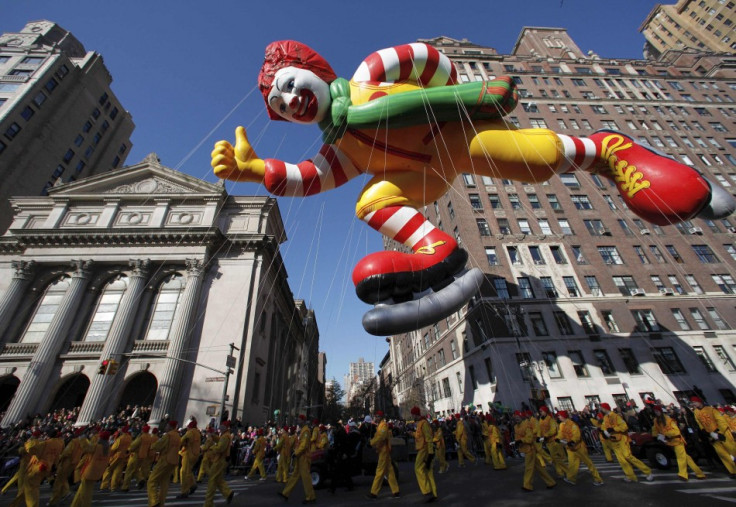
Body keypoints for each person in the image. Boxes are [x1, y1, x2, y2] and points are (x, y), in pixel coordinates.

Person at [211, 40, 733, 336]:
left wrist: (455, 93)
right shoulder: (339, 149)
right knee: (371, 200)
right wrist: (257, 171)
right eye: (278, 106)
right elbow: (309, 179)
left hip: (455, 134)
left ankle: (607, 150)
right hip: (424, 175)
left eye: (288, 86)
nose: (287, 101)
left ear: (312, 70)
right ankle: (436, 250)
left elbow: (428, 56)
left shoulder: (371, 72)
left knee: (529, 161)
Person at [600, 403, 653, 483]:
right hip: (613, 440)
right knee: (621, 460)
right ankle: (630, 476)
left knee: (628, 456)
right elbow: (604, 427)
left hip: (622, 439)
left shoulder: (615, 416)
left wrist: (613, 429)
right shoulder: (605, 418)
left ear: (605, 408)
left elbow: (624, 426)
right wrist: (603, 432)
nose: (601, 409)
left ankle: (647, 471)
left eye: (602, 408)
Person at [651, 405, 705, 481]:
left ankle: (683, 474)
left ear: (660, 411)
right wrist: (657, 435)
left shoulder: (669, 419)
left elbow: (676, 431)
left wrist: (665, 434)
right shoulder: (656, 421)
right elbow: (655, 430)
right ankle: (699, 473)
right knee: (686, 458)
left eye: (657, 411)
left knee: (680, 458)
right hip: (669, 442)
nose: (656, 413)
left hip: (677, 440)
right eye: (655, 411)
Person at [690, 396, 736, 476]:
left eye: (694, 402)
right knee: (722, 454)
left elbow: (721, 421)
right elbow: (700, 423)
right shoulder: (696, 412)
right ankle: (733, 471)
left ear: (699, 402)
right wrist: (704, 431)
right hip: (711, 435)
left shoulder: (711, 409)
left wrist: (720, 432)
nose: (693, 404)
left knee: (733, 450)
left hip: (722, 433)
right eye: (692, 402)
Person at [556, 410, 603, 486]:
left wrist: (573, 441)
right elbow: (561, 433)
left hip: (579, 447)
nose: (558, 417)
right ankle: (571, 479)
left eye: (559, 415)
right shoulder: (561, 425)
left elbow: (577, 435)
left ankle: (598, 479)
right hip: (570, 448)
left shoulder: (572, 424)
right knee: (572, 464)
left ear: (563, 416)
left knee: (588, 463)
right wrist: (558, 438)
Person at [513, 410, 556, 492]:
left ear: (521, 416)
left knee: (528, 468)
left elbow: (529, 438)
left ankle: (527, 485)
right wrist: (516, 442)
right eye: (515, 418)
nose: (517, 419)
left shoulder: (527, 424)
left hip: (530, 449)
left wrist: (521, 440)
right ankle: (551, 482)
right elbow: (517, 437)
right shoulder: (516, 427)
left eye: (518, 417)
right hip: (525, 448)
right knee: (539, 468)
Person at [280, 415, 316, 504]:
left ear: (303, 420)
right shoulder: (303, 430)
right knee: (294, 475)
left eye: (299, 419)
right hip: (300, 457)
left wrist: (295, 453)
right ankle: (285, 493)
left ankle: (311, 497)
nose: (298, 421)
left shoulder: (306, 431)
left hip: (304, 457)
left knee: (306, 478)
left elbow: (304, 445)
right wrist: (296, 453)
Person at [70, 430, 110, 507]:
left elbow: (86, 448)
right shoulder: (108, 449)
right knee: (82, 490)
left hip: (89, 470)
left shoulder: (97, 446)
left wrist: (82, 439)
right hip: (97, 471)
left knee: (85, 492)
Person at [366, 410, 399, 499]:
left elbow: (381, 437)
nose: (376, 418)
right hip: (383, 451)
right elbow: (378, 436)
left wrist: (371, 443)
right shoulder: (380, 426)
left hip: (384, 451)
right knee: (390, 472)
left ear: (381, 417)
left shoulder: (383, 425)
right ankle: (396, 491)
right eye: (375, 416)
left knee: (379, 472)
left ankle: (374, 492)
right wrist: (372, 442)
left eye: (377, 416)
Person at [147, 420, 181, 507]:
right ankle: (161, 503)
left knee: (151, 481)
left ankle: (154, 501)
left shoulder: (168, 436)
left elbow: (159, 446)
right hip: (173, 461)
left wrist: (152, 446)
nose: (165, 427)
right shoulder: (178, 436)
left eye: (167, 426)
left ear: (170, 427)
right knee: (164, 483)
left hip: (164, 460)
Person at [49, 427, 87, 504]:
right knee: (63, 479)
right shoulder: (84, 443)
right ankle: (65, 493)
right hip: (74, 464)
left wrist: (59, 457)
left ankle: (54, 501)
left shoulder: (74, 442)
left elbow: (66, 453)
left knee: (58, 482)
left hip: (66, 463)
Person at [204, 421, 235, 507]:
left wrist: (211, 448)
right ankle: (227, 493)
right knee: (217, 479)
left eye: (221, 426)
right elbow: (220, 441)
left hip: (219, 460)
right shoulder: (225, 435)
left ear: (225, 427)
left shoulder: (225, 436)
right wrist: (213, 436)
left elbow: (220, 448)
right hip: (221, 460)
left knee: (212, 480)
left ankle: (208, 503)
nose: (220, 427)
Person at [409, 406, 437, 503]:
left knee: (418, 468)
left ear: (416, 414)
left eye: (412, 414)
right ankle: (433, 493)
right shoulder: (420, 423)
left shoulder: (424, 423)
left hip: (423, 449)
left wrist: (430, 453)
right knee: (427, 471)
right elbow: (419, 436)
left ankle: (427, 492)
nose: (412, 416)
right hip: (424, 449)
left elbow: (429, 439)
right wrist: (412, 434)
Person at [122, 424, 154, 492]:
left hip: (136, 455)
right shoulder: (150, 437)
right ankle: (140, 479)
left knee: (129, 471)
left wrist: (129, 449)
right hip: (143, 456)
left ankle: (125, 487)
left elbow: (134, 445)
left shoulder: (141, 437)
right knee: (136, 469)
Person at [538, 406, 567, 478]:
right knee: (554, 458)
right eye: (540, 411)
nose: (540, 412)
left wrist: (546, 435)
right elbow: (540, 429)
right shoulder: (540, 420)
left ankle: (567, 471)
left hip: (554, 441)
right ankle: (560, 472)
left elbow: (553, 430)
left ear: (545, 411)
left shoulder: (550, 419)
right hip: (548, 442)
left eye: (541, 411)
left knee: (560, 457)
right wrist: (540, 437)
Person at [101, 425, 132, 492]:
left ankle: (104, 486)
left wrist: (109, 456)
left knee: (108, 470)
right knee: (117, 472)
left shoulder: (120, 438)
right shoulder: (129, 438)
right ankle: (113, 487)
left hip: (116, 456)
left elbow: (113, 449)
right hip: (124, 456)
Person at [178, 419, 201, 497]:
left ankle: (184, 491)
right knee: (186, 471)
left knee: (184, 472)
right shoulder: (198, 433)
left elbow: (182, 440)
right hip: (195, 454)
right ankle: (192, 484)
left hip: (188, 454)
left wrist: (181, 443)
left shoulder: (190, 432)